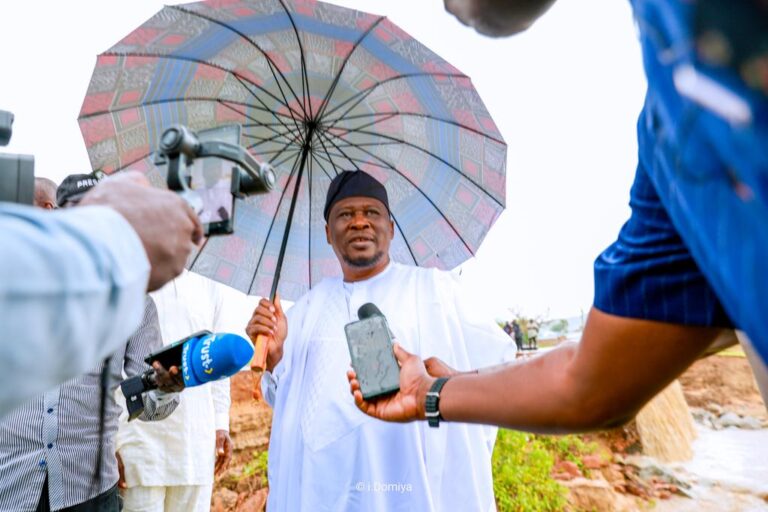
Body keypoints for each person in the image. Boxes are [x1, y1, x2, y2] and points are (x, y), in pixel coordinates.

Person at [347, 0, 768, 433]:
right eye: (347, 215)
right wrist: (431, 391)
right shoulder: (674, 146)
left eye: (369, 213)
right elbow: (590, 383)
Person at [246, 171, 515, 511]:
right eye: (345, 214)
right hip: (322, 492)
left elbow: (498, 367)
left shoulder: (435, 290)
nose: (359, 222)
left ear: (390, 227)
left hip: (409, 487)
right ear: (328, 233)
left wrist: (448, 383)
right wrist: (275, 356)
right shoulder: (303, 310)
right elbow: (280, 398)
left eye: (371, 213)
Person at [0, 175, 183, 511]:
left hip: (90, 492)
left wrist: (167, 385)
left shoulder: (135, 302)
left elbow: (149, 400)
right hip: (10, 486)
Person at [0, 171, 202, 417]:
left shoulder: (137, 302)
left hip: (90, 456)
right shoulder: (15, 286)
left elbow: (150, 408)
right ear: (56, 217)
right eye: (81, 216)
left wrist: (164, 388)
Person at [116, 270, 233, 512]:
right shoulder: (130, 275)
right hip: (138, 445)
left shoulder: (212, 282)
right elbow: (110, 368)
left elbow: (219, 359)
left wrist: (221, 424)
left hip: (195, 444)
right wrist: (112, 443)